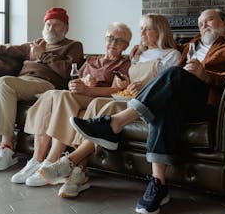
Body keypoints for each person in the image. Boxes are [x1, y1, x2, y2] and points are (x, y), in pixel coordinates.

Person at [70, 8, 225, 214]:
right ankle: (158, 184)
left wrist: (207, 76)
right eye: (200, 23)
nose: (203, 26)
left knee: (174, 74)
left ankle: (114, 123)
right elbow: (162, 50)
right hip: (183, 101)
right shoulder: (190, 45)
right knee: (164, 104)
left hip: (209, 100)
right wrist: (138, 52)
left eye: (209, 20)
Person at [36, 13, 181, 198]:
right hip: (126, 97)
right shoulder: (138, 54)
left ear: (160, 31)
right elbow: (127, 81)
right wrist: (123, 83)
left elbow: (167, 85)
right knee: (96, 102)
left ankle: (71, 163)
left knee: (103, 105)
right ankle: (79, 172)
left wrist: (143, 87)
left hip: (146, 103)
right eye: (141, 29)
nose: (142, 32)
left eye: (148, 29)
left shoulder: (172, 55)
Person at [9, 22, 132, 186]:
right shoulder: (91, 60)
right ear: (104, 39)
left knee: (62, 97)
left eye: (119, 40)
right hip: (80, 95)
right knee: (53, 94)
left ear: (127, 45)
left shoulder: (125, 64)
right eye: (110, 38)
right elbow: (72, 82)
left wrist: (88, 89)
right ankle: (37, 160)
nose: (113, 43)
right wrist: (81, 82)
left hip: (98, 98)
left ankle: (51, 162)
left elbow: (119, 91)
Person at [0, 7, 84, 172]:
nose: (51, 28)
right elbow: (6, 48)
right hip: (20, 83)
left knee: (5, 83)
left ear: (66, 28)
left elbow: (67, 70)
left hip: (46, 86)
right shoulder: (34, 45)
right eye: (48, 24)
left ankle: (7, 148)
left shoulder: (73, 45)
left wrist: (42, 56)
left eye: (57, 24)